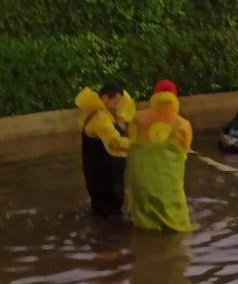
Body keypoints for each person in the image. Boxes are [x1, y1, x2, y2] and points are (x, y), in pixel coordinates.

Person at [127, 80, 194, 233]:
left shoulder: (136, 119)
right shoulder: (182, 125)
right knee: (177, 230)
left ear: (155, 97)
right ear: (175, 99)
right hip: (168, 189)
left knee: (142, 227)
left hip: (140, 188)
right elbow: (184, 152)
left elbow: (130, 143)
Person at [75, 80, 135, 218]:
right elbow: (114, 142)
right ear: (105, 98)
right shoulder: (101, 118)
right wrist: (139, 145)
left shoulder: (93, 110)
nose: (116, 108)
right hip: (104, 180)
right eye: (114, 103)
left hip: (96, 177)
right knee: (111, 216)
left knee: (101, 213)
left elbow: (126, 100)